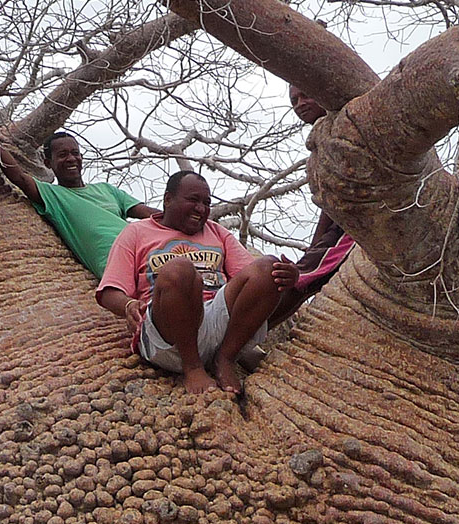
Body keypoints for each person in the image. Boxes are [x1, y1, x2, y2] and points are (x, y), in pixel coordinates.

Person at [96, 171, 300, 394]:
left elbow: (253, 277)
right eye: (193, 200)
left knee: (269, 266)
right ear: (168, 199)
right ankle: (192, 367)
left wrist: (287, 276)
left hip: (217, 322)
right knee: (179, 269)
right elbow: (110, 290)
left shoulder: (217, 232)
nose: (201, 209)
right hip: (168, 333)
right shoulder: (136, 232)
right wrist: (128, 305)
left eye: (206, 203)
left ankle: (225, 359)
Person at [0, 128, 160, 277]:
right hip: (121, 267)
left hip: (150, 251)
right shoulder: (52, 195)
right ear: (48, 163)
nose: (71, 159)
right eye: (62, 155)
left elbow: (148, 213)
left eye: (75, 153)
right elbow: (19, 177)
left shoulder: (107, 189)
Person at [268, 86, 357, 326]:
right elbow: (329, 202)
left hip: (355, 228)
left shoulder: (345, 131)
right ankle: (253, 334)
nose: (299, 104)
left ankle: (247, 334)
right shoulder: (322, 142)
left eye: (306, 95)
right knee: (302, 280)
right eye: (294, 100)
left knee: (299, 279)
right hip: (340, 228)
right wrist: (315, 247)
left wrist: (315, 250)